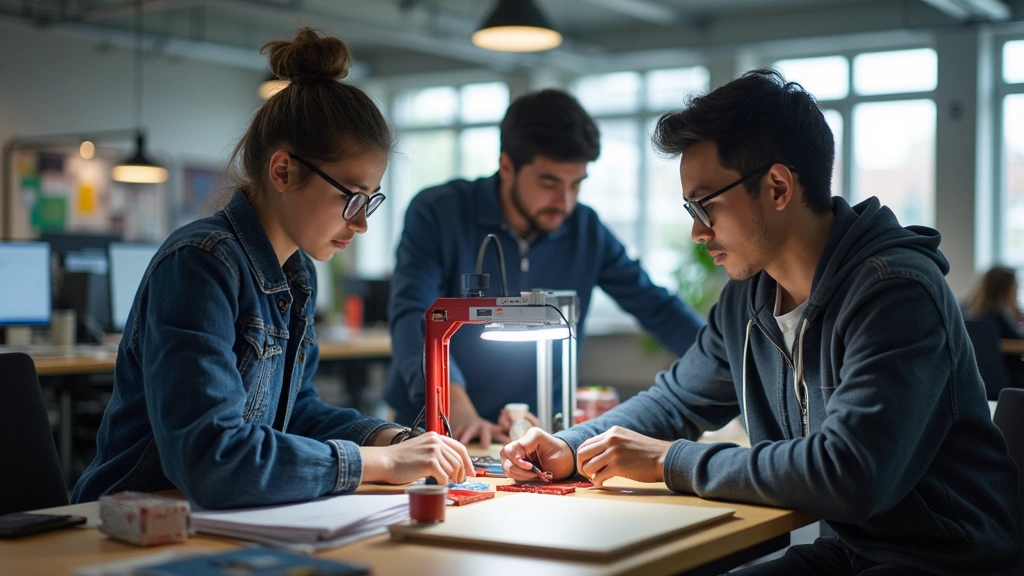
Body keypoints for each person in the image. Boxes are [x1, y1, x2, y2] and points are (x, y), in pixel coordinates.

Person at [501, 69, 1023, 575]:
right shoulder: (747, 298)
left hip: (949, 560)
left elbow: (850, 475)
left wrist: (671, 461)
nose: (696, 233)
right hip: (852, 552)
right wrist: (570, 445)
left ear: (777, 188)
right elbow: (677, 400)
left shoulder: (895, 292)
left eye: (705, 206)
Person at [72, 28, 472, 509]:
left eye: (371, 200)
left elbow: (294, 411)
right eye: (351, 198)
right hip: (128, 523)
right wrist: (379, 464)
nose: (363, 223)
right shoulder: (200, 263)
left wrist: (392, 440)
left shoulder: (296, 273)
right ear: (283, 171)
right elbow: (211, 459)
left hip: (210, 522)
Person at [384, 89, 705, 446]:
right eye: (549, 183)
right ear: (507, 166)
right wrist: (454, 409)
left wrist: (729, 366)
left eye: (576, 185)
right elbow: (414, 316)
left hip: (535, 431)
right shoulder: (438, 213)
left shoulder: (586, 230)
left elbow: (657, 307)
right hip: (438, 427)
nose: (564, 202)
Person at [965, 265, 1024, 339]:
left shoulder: (968, 312)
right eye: (1015, 289)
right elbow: (1018, 339)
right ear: (1007, 290)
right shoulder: (998, 317)